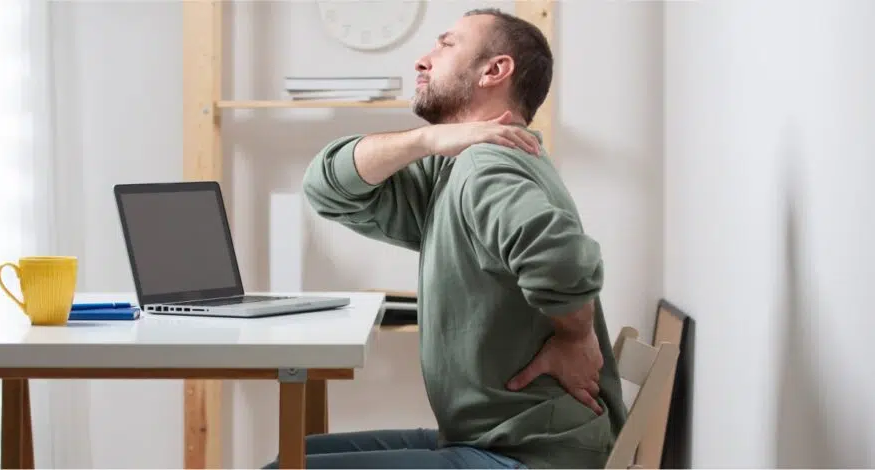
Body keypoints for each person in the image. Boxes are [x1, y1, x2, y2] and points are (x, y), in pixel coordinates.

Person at [265, 8, 627, 469]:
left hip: (527, 454)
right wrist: (426, 142)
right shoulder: (457, 165)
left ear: (494, 70)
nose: (422, 59)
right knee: (295, 457)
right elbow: (327, 187)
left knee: (286, 469)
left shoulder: (486, 165)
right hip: (504, 439)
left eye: (446, 44)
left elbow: (561, 257)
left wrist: (575, 336)